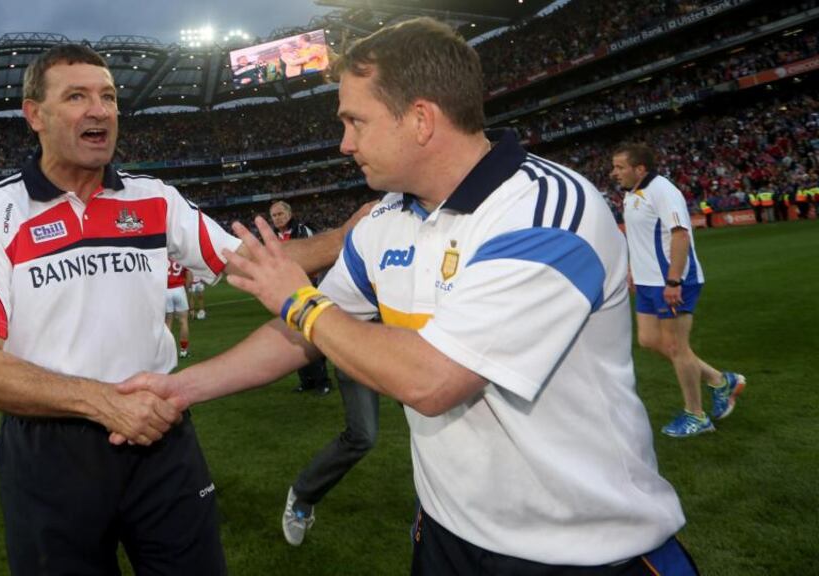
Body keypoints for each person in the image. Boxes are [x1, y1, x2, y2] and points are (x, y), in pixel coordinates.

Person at [119, 18, 697, 574]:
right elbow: (304, 338)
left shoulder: (546, 213)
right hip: (447, 534)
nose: (344, 143)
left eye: (356, 121)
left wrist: (299, 299)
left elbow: (434, 381)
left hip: (587, 552)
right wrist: (178, 390)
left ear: (421, 119)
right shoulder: (385, 221)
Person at [0, 44, 351, 575]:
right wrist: (102, 402)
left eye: (108, 96)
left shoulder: (154, 198)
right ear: (34, 115)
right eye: (77, 96)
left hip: (161, 431)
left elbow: (254, 264)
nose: (100, 110)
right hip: (51, 446)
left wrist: (350, 236)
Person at [612, 143, 746, 438]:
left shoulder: (663, 190)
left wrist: (674, 281)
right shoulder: (632, 194)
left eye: (620, 167)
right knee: (648, 340)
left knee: (676, 347)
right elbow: (641, 238)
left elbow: (680, 235)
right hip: (648, 282)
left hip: (671, 281)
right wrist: (635, 270)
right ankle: (720, 381)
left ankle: (696, 416)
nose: (614, 173)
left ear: (640, 169)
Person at [282, 364, 378, 546]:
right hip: (359, 351)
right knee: (363, 435)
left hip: (415, 347)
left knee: (430, 420)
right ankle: (304, 494)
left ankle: (428, 515)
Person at [270, 200, 331, 395]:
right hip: (285, 292)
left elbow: (315, 257)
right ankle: (306, 380)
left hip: (308, 288)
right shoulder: (271, 237)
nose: (277, 218)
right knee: (293, 336)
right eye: (274, 215)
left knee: (312, 333)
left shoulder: (304, 230)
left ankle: (323, 380)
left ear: (289, 214)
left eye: (280, 214)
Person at [165, 259, 192, 358]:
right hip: (179, 289)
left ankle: (167, 352)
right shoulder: (180, 256)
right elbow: (189, 275)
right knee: (183, 321)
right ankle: (184, 350)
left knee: (168, 323)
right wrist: (186, 290)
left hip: (166, 290)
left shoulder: (162, 255)